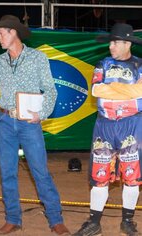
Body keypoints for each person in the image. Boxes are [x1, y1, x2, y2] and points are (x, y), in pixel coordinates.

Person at [0, 15, 70, 235]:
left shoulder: (37, 58)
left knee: (40, 171)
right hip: (4, 122)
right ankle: (13, 219)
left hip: (29, 123)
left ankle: (55, 219)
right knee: (7, 172)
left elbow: (50, 89)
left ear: (13, 32)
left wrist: (42, 114)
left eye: (1, 34)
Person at [73, 23, 142, 236]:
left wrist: (112, 90)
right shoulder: (101, 64)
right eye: (110, 42)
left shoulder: (140, 65)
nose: (111, 46)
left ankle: (127, 220)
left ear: (127, 43)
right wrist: (129, 92)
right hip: (104, 125)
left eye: (115, 42)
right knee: (99, 174)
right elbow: (96, 90)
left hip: (132, 125)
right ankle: (94, 222)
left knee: (132, 176)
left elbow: (141, 92)